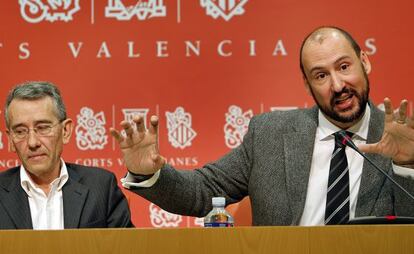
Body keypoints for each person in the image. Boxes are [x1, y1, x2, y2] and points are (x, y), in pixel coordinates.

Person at [110, 26, 414, 226]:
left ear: (365, 62)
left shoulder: (403, 140)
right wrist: (149, 173)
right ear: (307, 85)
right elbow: (204, 190)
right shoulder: (270, 134)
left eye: (344, 67)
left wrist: (406, 165)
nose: (337, 85)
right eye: (320, 76)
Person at [0, 81, 133, 229]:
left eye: (43, 128)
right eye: (20, 131)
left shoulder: (101, 187)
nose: (32, 142)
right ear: (10, 139)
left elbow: (128, 248)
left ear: (66, 131)